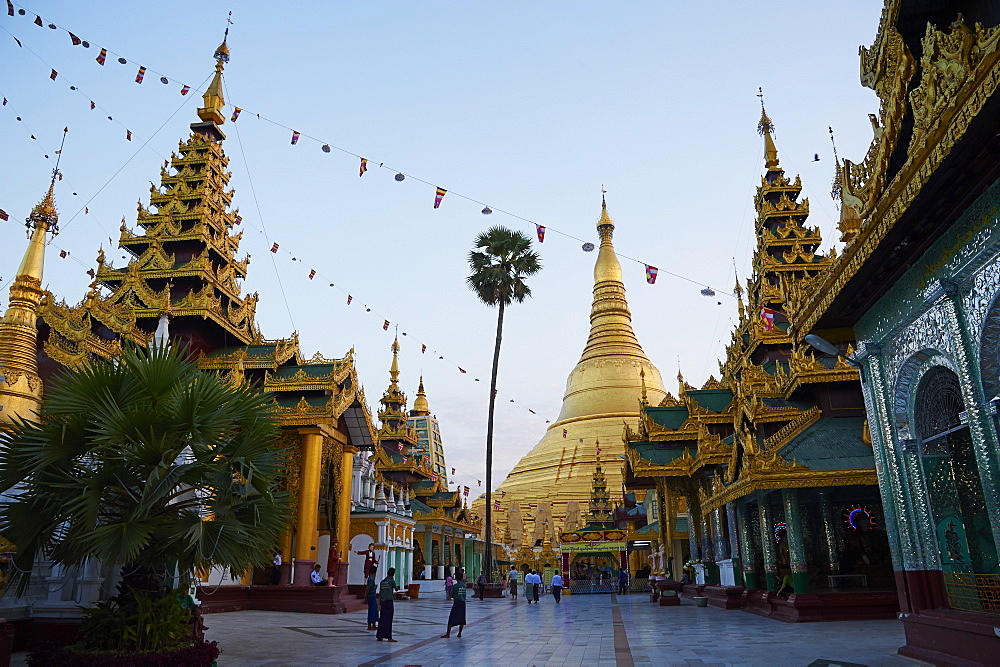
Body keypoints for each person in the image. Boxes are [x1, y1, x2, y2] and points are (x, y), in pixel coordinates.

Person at [441, 570, 467, 638]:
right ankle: (459, 633)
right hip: (463, 603)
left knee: (451, 618)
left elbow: (451, 595)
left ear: (456, 578)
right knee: (462, 619)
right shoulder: (464, 585)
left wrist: (452, 596)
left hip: (457, 603)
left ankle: (448, 633)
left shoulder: (455, 586)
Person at [376, 567, 399, 642]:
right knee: (389, 619)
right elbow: (396, 589)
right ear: (393, 574)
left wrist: (379, 604)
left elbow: (380, 593)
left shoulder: (383, 582)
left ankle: (380, 636)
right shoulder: (391, 581)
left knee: (382, 619)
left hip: (382, 602)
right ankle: (389, 637)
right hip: (389, 602)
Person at [365, 565, 379, 631]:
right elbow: (368, 588)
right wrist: (365, 596)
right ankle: (370, 625)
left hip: (373, 596)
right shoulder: (370, 579)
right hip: (371, 596)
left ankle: (374, 624)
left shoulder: (372, 579)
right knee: (372, 611)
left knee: (375, 611)